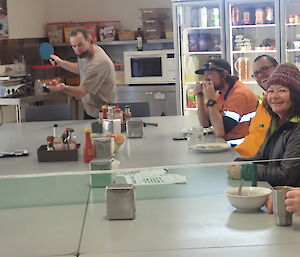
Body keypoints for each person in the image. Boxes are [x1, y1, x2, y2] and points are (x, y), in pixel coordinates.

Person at [228, 63, 300, 187]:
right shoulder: (275, 121)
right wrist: (240, 163)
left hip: (289, 199)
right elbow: (263, 157)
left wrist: (246, 171)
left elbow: (288, 174)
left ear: (295, 96)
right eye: (271, 91)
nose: (274, 96)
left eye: (282, 90)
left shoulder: (297, 128)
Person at [47, 28, 117, 119]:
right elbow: (81, 68)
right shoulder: (87, 52)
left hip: (103, 114)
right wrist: (61, 63)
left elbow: (81, 92)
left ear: (89, 40)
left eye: (80, 45)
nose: (77, 49)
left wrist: (62, 87)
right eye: (74, 46)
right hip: (91, 109)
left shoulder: (98, 63)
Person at [194, 58, 258, 146]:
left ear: (224, 74)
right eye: (204, 74)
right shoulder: (221, 94)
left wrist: (211, 100)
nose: (206, 78)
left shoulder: (240, 94)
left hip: (241, 150)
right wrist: (200, 97)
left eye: (209, 74)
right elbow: (205, 123)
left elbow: (220, 131)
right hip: (228, 146)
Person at [234, 55, 278, 157]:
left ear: (277, 68)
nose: (260, 75)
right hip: (241, 157)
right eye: (256, 73)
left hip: (255, 164)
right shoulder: (264, 101)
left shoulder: (284, 103)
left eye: (264, 69)